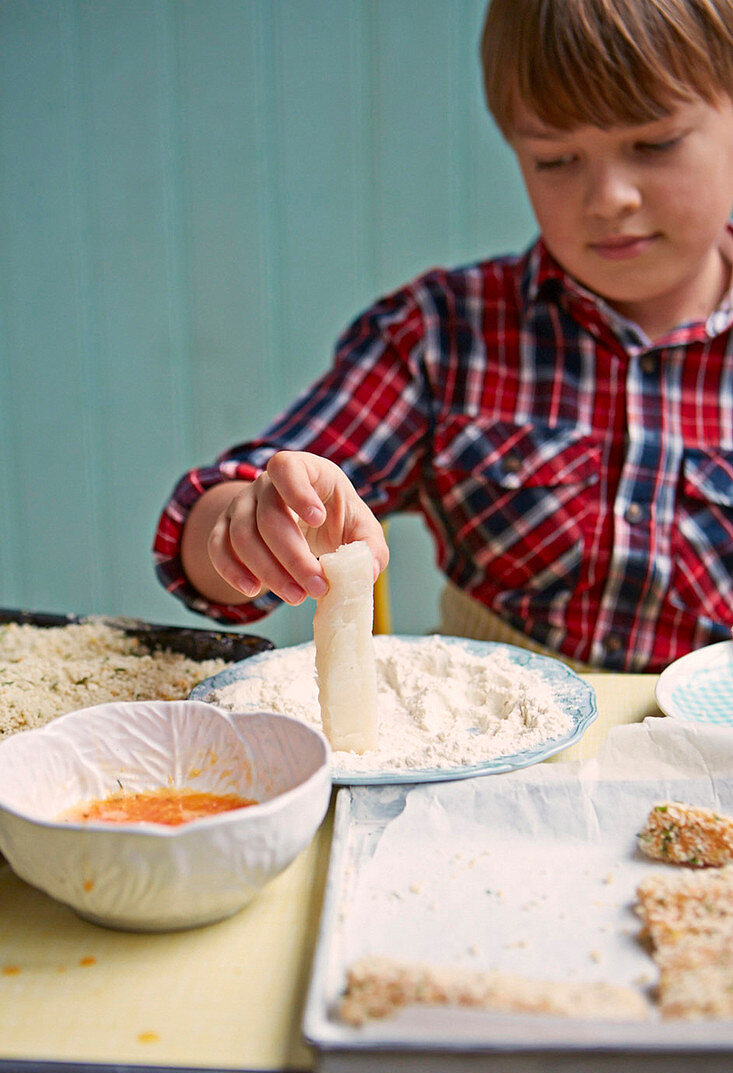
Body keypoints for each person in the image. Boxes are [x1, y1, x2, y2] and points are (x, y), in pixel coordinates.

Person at [153, 0, 733, 674]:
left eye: (653, 144)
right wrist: (244, 524)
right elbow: (235, 509)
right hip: (489, 737)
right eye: (554, 158)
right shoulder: (443, 335)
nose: (607, 197)